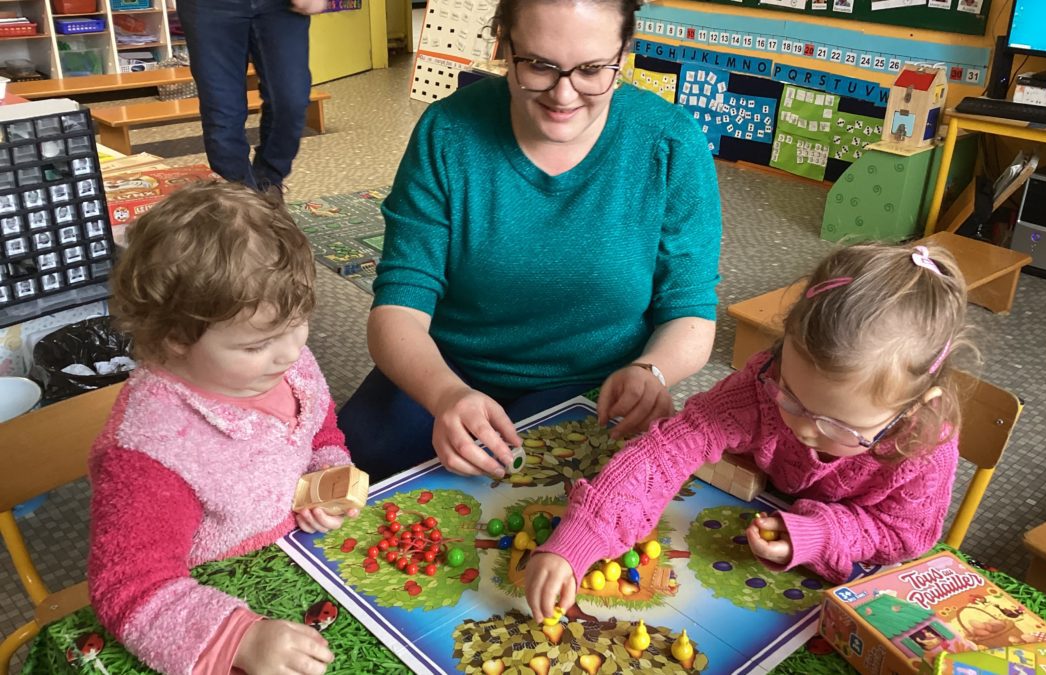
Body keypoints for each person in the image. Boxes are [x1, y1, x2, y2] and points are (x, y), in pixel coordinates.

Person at [338, 0, 723, 482]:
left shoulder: (669, 143)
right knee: (340, 480)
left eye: (591, 70)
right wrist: (445, 394)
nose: (563, 95)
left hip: (596, 387)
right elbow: (399, 305)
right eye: (539, 66)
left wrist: (652, 371)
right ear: (504, 45)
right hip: (448, 368)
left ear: (625, 52)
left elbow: (689, 309)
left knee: (570, 510)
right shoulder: (448, 133)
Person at [525, 242, 974, 622]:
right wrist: (582, 535)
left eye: (838, 426)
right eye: (792, 397)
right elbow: (664, 452)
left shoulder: (923, 447)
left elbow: (903, 537)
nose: (803, 428)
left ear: (916, 407)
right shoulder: (762, 384)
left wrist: (818, 533)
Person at [88, 182, 353, 675]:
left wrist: (328, 477)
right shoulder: (152, 448)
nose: (291, 352)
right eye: (256, 346)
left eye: (299, 324)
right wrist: (241, 638)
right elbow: (130, 587)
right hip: (211, 612)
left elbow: (319, 432)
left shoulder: (284, 363)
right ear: (174, 339)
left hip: (300, 563)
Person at [176, 0, 326, 193]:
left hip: (280, 6)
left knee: (291, 102)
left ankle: (268, 184)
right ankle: (242, 200)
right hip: (209, 6)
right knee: (222, 113)